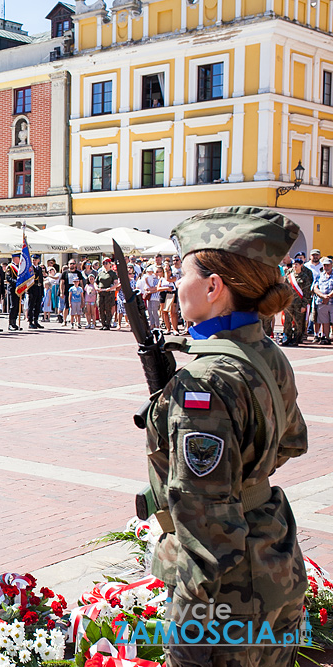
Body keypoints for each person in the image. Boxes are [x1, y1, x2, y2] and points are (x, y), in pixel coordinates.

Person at [146, 206, 309, 666]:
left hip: (229, 600)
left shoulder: (203, 382)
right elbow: (293, 441)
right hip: (276, 558)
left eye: (182, 274)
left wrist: (188, 636)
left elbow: (207, 525)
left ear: (214, 286)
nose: (175, 286)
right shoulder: (265, 352)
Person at [281, 258, 313, 347]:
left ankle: (296, 338)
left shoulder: (305, 277)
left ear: (301, 265)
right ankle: (287, 337)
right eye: (294, 264)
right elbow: (284, 288)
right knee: (287, 321)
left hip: (299, 303)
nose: (295, 266)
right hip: (289, 303)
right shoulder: (289, 276)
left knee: (298, 322)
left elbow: (307, 293)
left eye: (297, 264)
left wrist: (304, 305)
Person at [313, 256, 333, 345]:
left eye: (328, 265)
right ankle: (326, 337)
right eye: (325, 265)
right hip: (322, 302)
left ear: (331, 265)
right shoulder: (320, 275)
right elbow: (315, 287)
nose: (326, 267)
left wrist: (328, 296)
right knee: (325, 321)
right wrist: (322, 296)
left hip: (332, 302)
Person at [95, 257, 118, 330]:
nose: (105, 265)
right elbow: (96, 282)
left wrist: (110, 289)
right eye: (103, 263)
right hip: (101, 292)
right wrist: (96, 288)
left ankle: (108, 324)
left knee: (108, 308)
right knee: (100, 308)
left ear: (110, 264)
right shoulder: (100, 273)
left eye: (106, 263)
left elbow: (116, 283)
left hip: (109, 293)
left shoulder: (112, 273)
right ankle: (103, 323)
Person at [27, 254, 45, 329]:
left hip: (39, 288)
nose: (34, 261)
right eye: (33, 260)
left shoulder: (40, 268)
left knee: (37, 306)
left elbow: (41, 279)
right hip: (32, 288)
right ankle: (30, 321)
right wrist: (29, 291)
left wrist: (42, 291)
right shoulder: (30, 269)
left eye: (35, 260)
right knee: (31, 306)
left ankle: (36, 320)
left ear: (38, 260)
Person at [6, 254, 23, 331]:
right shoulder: (10, 267)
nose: (19, 259)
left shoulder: (20, 267)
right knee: (13, 306)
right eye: (18, 258)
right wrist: (16, 282)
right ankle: (10, 323)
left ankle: (15, 322)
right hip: (13, 288)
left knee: (17, 306)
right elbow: (8, 277)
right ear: (14, 258)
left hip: (19, 289)